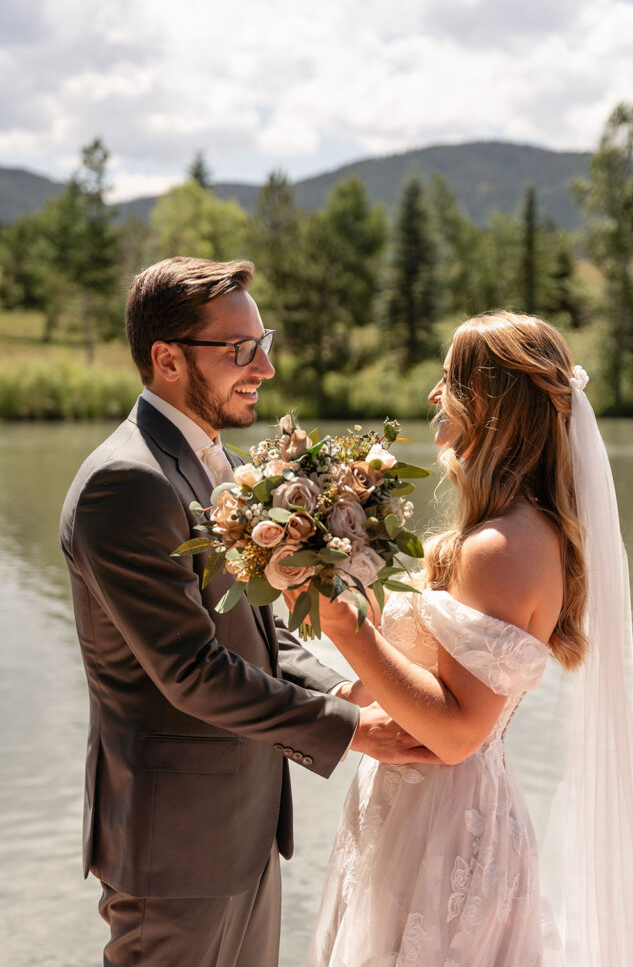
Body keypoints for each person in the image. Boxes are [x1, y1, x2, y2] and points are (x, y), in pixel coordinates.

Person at [59, 256, 437, 967]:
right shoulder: (127, 482)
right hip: (173, 844)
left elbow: (255, 633)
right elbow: (190, 669)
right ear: (166, 358)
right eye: (239, 349)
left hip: (243, 826)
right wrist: (353, 729)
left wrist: (339, 686)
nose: (262, 367)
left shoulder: (219, 463)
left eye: (263, 343)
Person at [303, 312, 633, 966]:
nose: (435, 396)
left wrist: (345, 629)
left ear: (487, 403)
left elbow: (457, 732)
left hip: (439, 832)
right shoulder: (510, 533)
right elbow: (432, 677)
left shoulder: (502, 548)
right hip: (422, 813)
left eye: (448, 380)